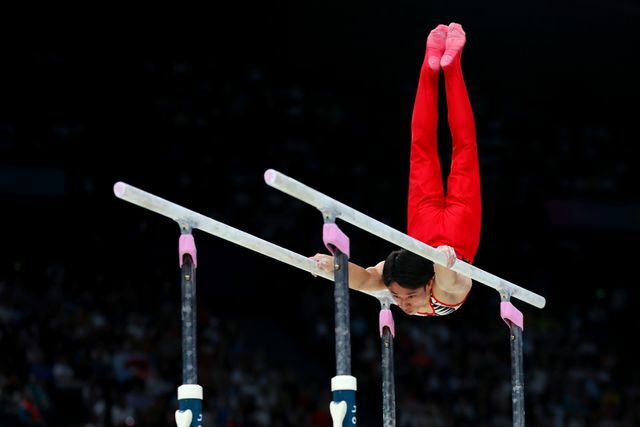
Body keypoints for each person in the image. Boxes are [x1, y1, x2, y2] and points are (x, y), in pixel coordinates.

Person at [312, 22, 481, 316]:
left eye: (399, 297)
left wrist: (333, 268)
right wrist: (441, 260)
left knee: (424, 148)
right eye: (409, 298)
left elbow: (365, 278)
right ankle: (450, 68)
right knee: (459, 148)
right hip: (456, 241)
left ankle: (433, 66)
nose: (402, 304)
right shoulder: (447, 292)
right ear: (429, 287)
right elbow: (450, 277)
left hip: (421, 234)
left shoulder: (397, 270)